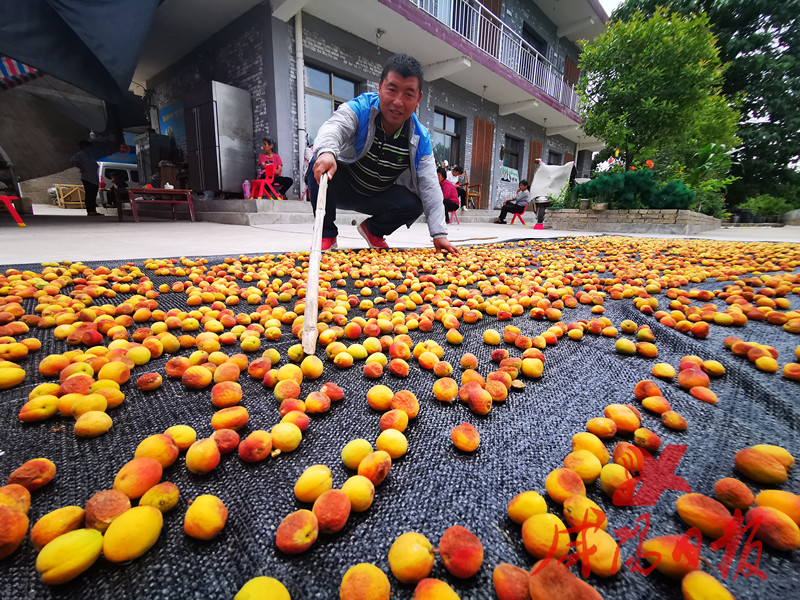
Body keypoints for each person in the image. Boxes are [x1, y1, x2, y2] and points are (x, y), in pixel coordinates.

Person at [308, 53, 458, 254]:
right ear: (380, 88)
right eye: (392, 90)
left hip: (377, 196)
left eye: (408, 94)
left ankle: (373, 230)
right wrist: (327, 152)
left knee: (415, 204)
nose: (398, 101)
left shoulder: (420, 138)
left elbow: (430, 186)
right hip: (342, 187)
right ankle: (326, 234)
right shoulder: (361, 108)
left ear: (418, 99)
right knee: (318, 163)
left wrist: (439, 234)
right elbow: (335, 127)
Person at [70, 140, 100, 216]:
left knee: (93, 194)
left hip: (94, 177)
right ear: (84, 147)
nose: (90, 149)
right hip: (87, 177)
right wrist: (81, 168)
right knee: (89, 194)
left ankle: (93, 210)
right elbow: (73, 161)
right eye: (89, 147)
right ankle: (90, 210)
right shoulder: (80, 154)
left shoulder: (90, 156)